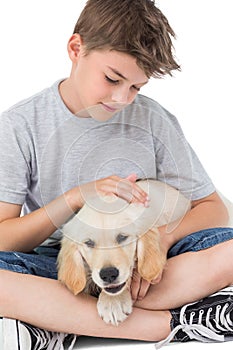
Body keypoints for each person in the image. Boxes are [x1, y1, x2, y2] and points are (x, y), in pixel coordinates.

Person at [0, 0, 233, 349]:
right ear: (76, 49)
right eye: (112, 78)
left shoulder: (154, 120)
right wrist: (76, 197)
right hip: (68, 266)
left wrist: (160, 241)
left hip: (148, 265)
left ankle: (56, 319)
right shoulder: (19, 126)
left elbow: (212, 207)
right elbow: (3, 238)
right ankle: (170, 322)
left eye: (137, 87)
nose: (123, 98)